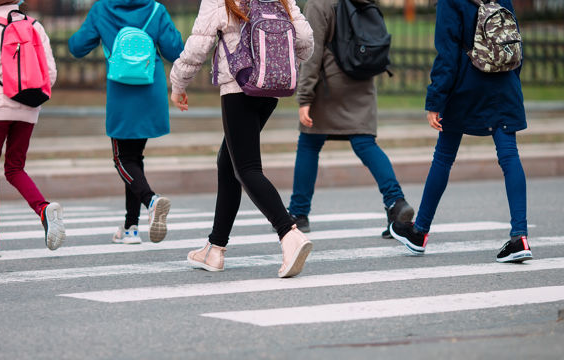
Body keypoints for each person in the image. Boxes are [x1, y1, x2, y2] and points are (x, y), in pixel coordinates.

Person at [170, 0, 315, 277]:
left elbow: (198, 44)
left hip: (239, 86)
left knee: (246, 168)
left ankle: (289, 234)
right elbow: (305, 39)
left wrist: (178, 83)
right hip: (271, 89)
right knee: (228, 163)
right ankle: (215, 249)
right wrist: (279, 61)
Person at [390, 0, 532, 263]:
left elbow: (447, 54)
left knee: (443, 157)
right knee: (510, 156)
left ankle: (419, 232)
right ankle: (519, 238)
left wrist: (435, 101)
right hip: (505, 85)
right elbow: (515, 44)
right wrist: (510, 80)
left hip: (467, 86)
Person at [288, 0, 413, 236]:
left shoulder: (319, 3)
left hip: (329, 86)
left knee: (309, 143)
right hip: (363, 78)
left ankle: (299, 213)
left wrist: (304, 97)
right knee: (365, 142)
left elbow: (310, 54)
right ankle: (396, 202)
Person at [69, 0, 184, 244]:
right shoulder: (155, 9)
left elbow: (77, 47)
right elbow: (175, 50)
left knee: (122, 159)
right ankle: (131, 227)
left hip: (122, 93)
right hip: (150, 91)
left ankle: (151, 200)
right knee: (134, 159)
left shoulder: (102, 8)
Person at [0, 0, 64, 258]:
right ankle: (42, 208)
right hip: (29, 108)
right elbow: (49, 72)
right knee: (15, 167)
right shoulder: (36, 27)